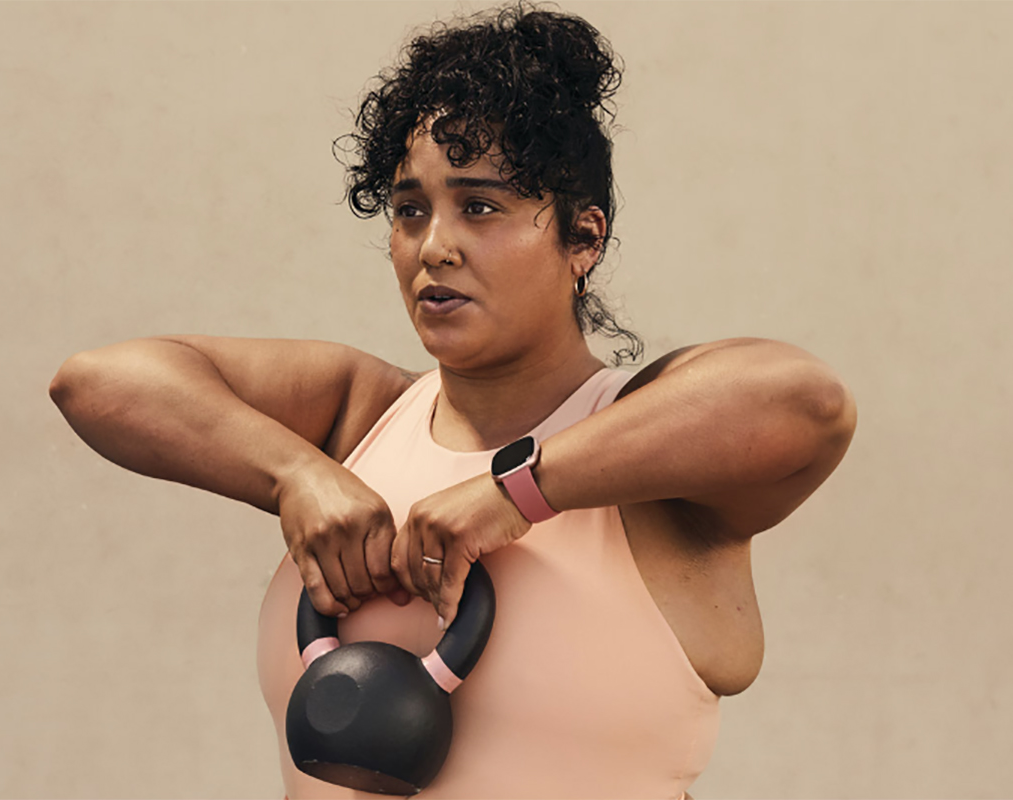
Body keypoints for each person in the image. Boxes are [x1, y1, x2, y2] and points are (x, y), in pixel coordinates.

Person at [49, 4, 856, 798]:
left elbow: (804, 403)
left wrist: (515, 493)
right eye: (409, 210)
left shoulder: (645, 455)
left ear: (583, 239)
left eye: (481, 206)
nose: (434, 246)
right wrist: (296, 474)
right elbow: (97, 382)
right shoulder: (360, 416)